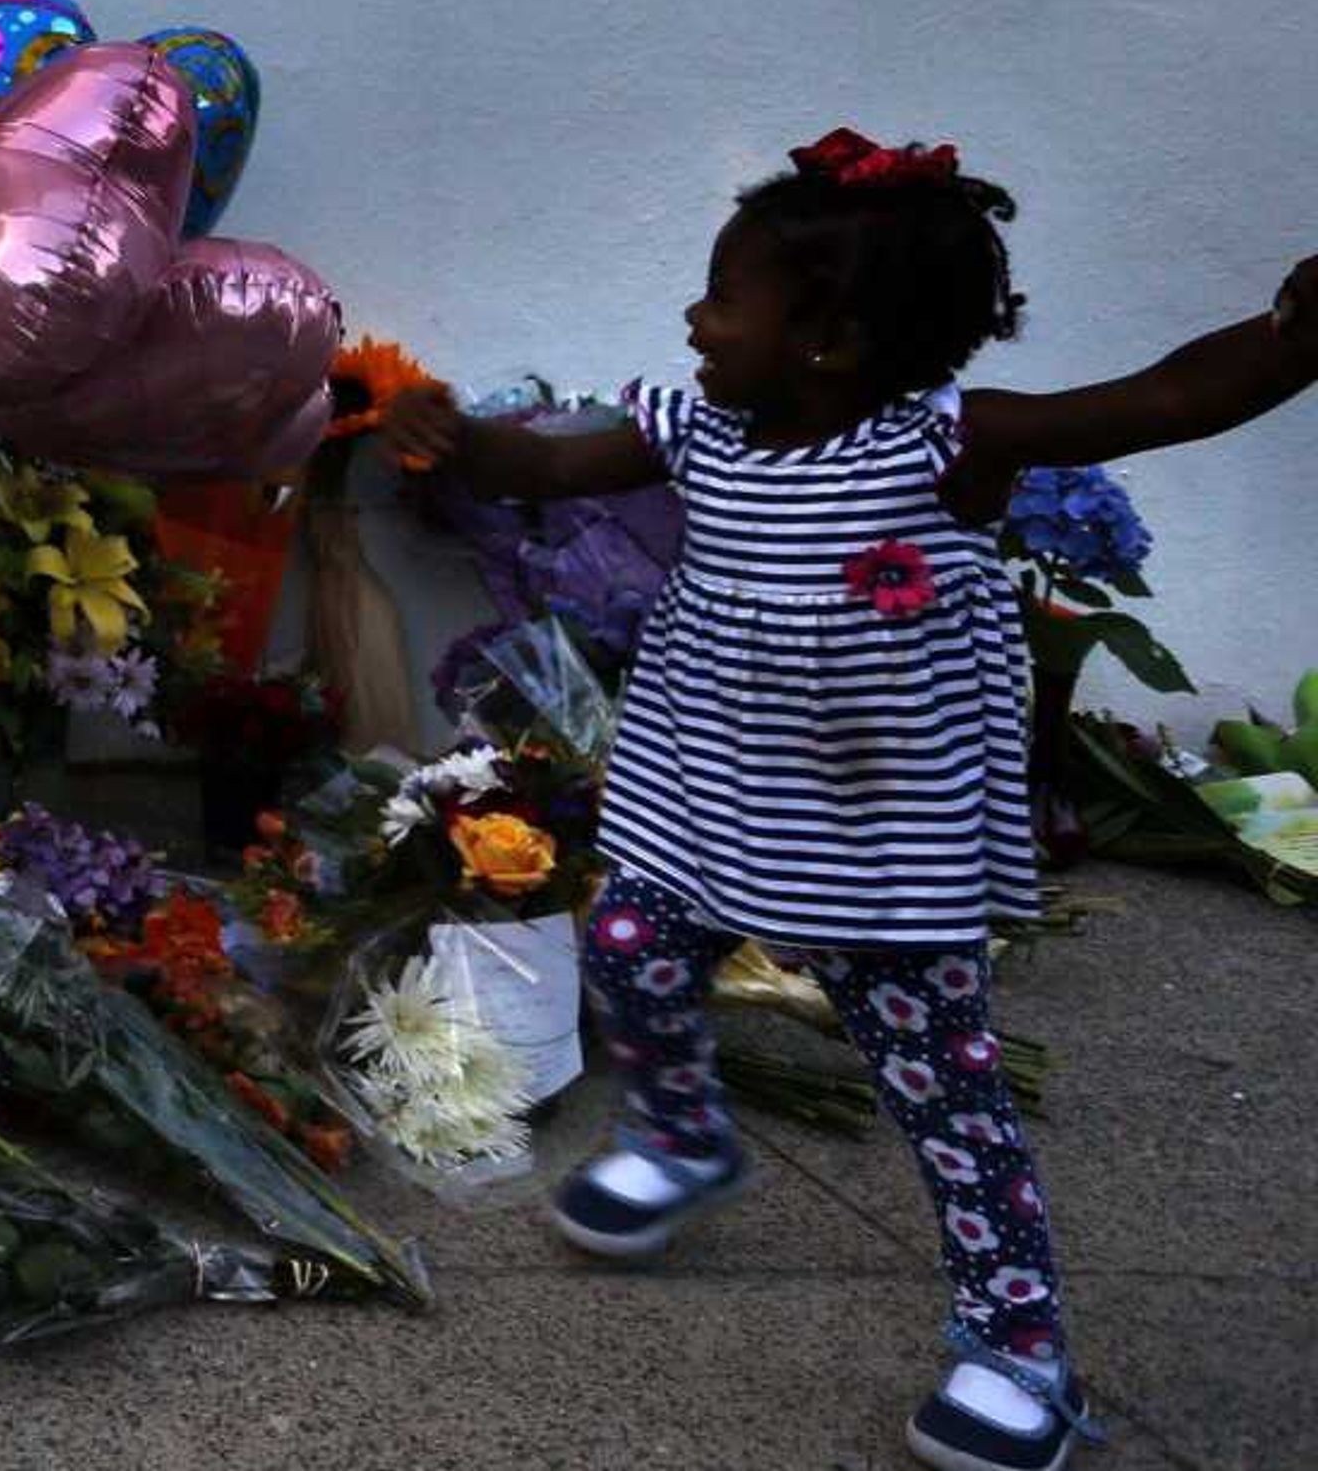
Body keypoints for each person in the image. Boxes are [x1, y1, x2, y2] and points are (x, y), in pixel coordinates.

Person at [385, 131, 1318, 1471]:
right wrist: (453, 435)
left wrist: (1292, 338)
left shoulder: (948, 446)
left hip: (882, 839)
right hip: (709, 790)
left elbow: (1159, 399)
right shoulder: (688, 425)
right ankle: (685, 1136)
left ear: (828, 339)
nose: (695, 317)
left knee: (942, 1089)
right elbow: (537, 465)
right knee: (633, 952)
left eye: (724, 296)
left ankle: (1019, 1354)